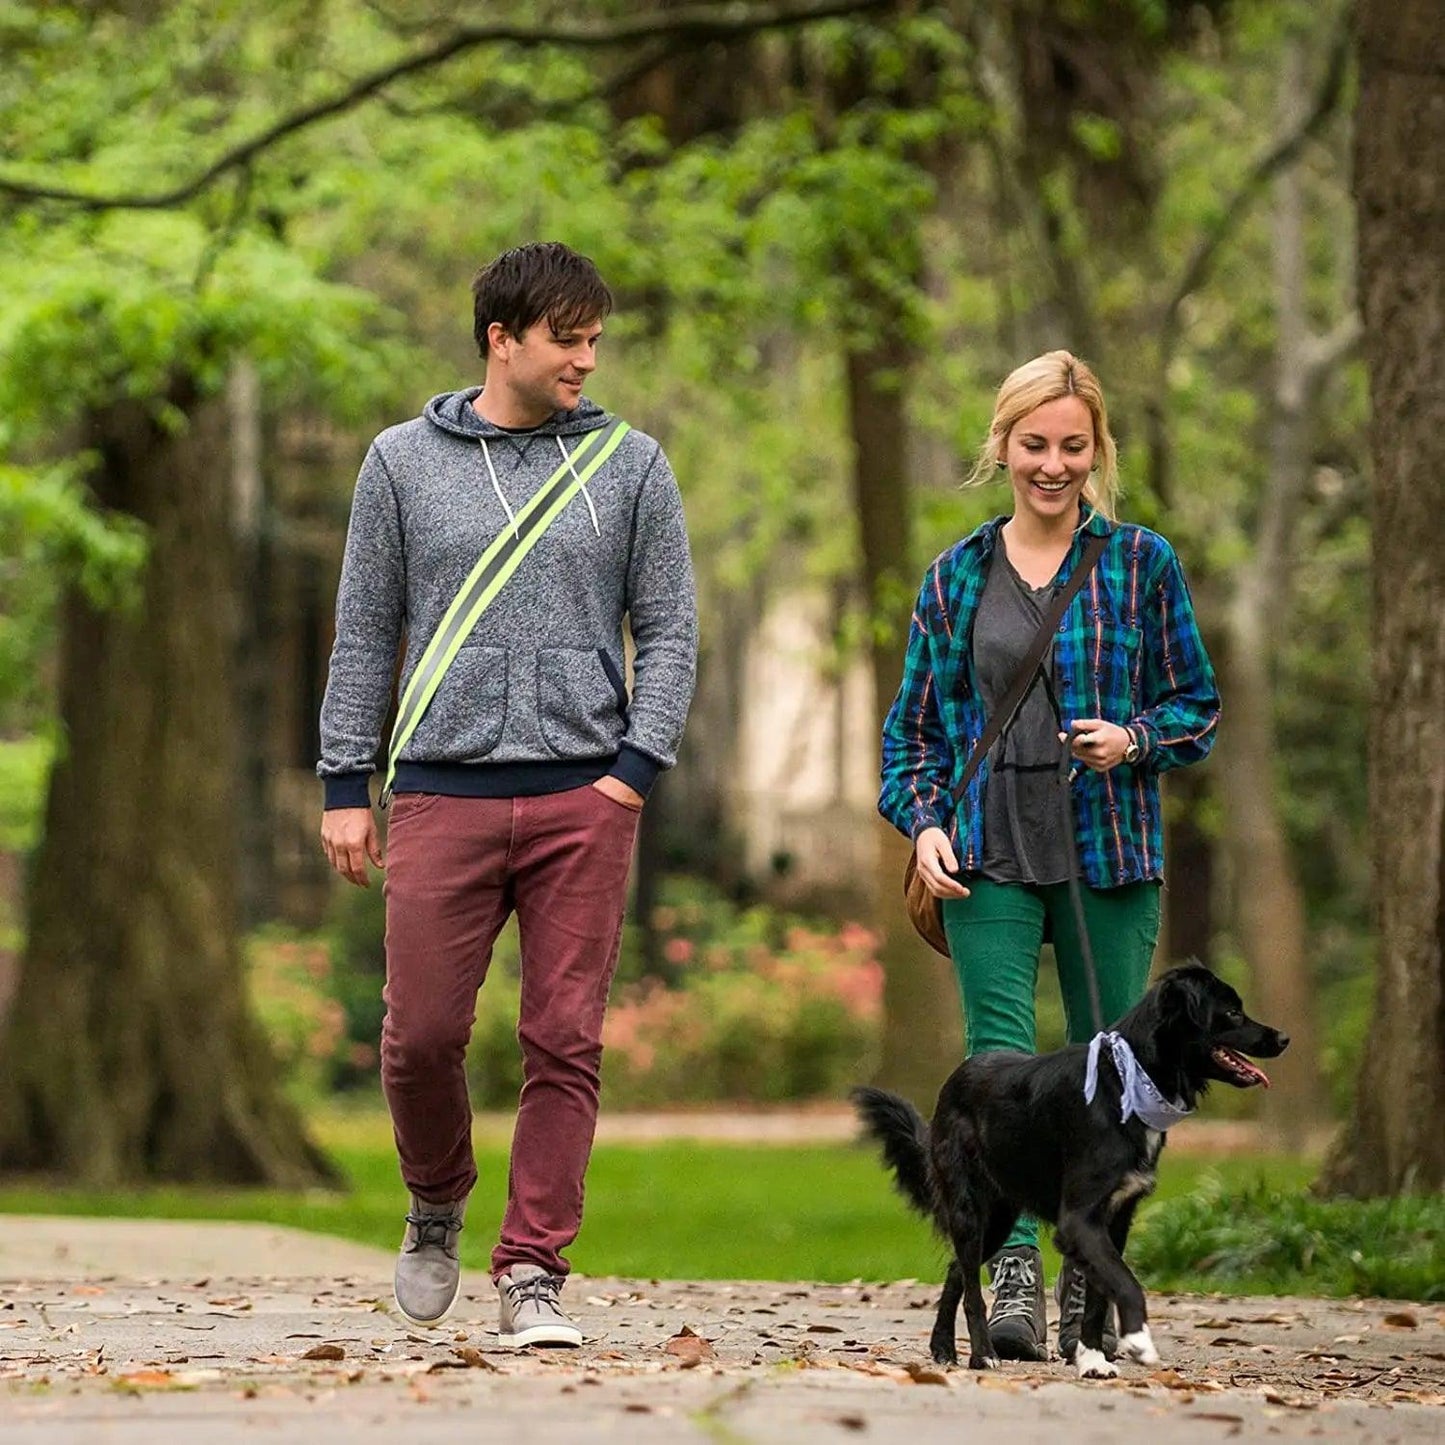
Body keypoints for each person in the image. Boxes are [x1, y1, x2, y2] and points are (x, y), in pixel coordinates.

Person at [317, 242, 698, 1345]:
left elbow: (669, 627)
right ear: (502, 337)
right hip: (441, 788)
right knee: (421, 1035)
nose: (587, 357)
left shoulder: (631, 465)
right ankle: (435, 1196)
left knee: (563, 1036)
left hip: (586, 795)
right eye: (566, 337)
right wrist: (348, 781)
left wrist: (635, 767)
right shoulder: (398, 462)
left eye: (594, 338)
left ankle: (532, 1267)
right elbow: (364, 633)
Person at [878, 350, 1219, 1364]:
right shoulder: (956, 575)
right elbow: (912, 737)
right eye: (1034, 443)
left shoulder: (1138, 564)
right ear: (1002, 444)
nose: (1053, 463)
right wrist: (925, 822)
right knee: (998, 1065)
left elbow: (1193, 704)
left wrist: (1134, 741)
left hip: (1107, 853)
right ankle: (1014, 1274)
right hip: (986, 852)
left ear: (1095, 449)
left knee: (1116, 1075)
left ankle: (1095, 1282)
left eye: (1073, 445)